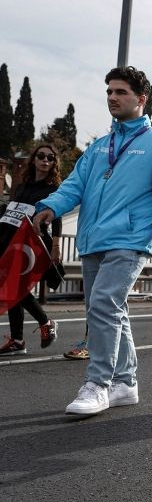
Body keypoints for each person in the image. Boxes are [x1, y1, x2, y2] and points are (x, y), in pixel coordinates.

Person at [33, 66, 152, 416]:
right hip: (93, 239)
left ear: (141, 99)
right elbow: (74, 185)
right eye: (109, 93)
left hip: (130, 239)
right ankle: (126, 382)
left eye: (120, 92)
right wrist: (51, 208)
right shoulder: (101, 146)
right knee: (109, 309)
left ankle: (98, 384)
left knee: (103, 303)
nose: (113, 98)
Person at [1, 143, 63, 356]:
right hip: (9, 241)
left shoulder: (53, 189)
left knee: (15, 287)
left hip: (32, 245)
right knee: (11, 288)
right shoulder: (21, 186)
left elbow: (57, 219)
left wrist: (56, 246)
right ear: (34, 159)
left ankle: (45, 322)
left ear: (54, 163)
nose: (46, 160)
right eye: (41, 156)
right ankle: (18, 340)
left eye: (50, 158)